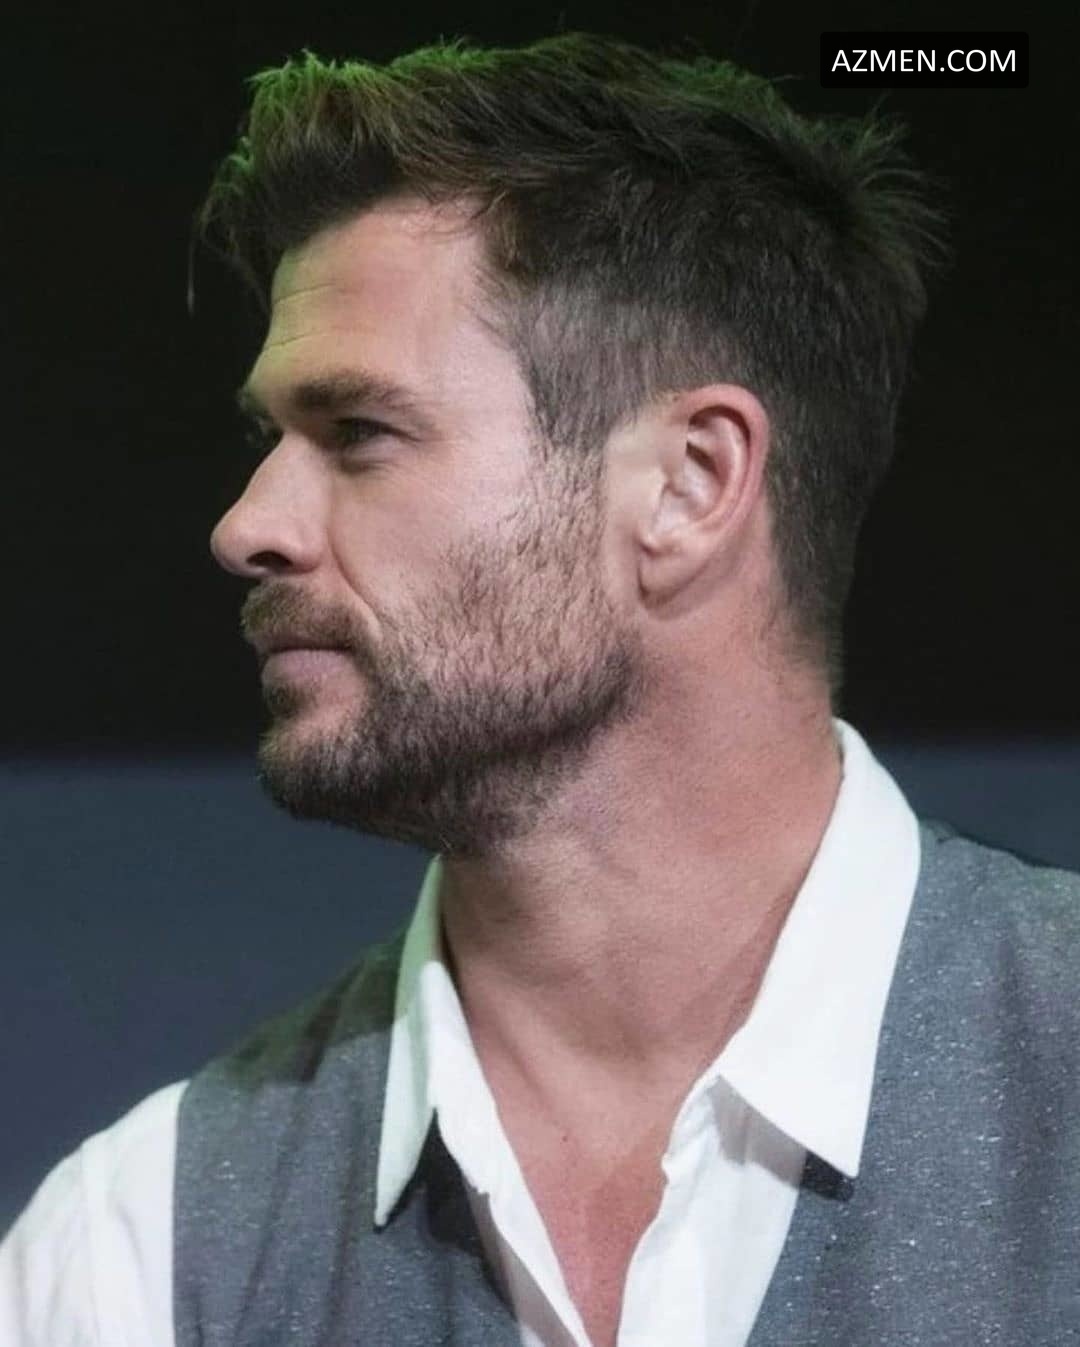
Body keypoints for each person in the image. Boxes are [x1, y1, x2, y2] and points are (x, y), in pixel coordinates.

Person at [3, 31, 1078, 1347]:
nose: (247, 526)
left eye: (359, 433)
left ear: (689, 485)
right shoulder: (136, 1251)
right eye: (268, 438)